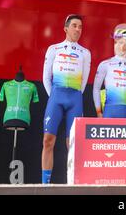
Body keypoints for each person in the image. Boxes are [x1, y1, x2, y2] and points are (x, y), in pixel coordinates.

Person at [41, 14, 91, 184]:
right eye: (75, 26)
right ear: (66, 28)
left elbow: (84, 81)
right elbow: (46, 78)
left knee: (73, 145)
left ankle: (73, 183)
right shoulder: (53, 49)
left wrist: (75, 95)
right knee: (48, 141)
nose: (78, 29)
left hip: (75, 99)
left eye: (80, 27)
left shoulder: (85, 53)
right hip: (56, 96)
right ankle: (45, 184)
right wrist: (54, 96)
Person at [93, 29, 126, 118]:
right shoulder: (105, 64)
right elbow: (96, 88)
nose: (116, 46)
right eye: (116, 43)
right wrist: (98, 111)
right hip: (110, 112)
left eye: (121, 43)